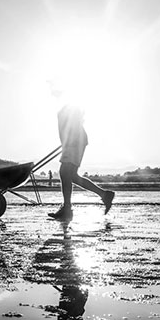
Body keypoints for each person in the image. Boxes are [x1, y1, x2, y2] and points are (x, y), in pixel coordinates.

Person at [48, 85, 115, 221]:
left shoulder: (67, 104)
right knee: (70, 175)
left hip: (75, 140)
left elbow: (72, 120)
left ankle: (67, 209)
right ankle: (104, 195)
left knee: (65, 173)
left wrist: (69, 140)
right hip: (74, 140)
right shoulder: (64, 106)